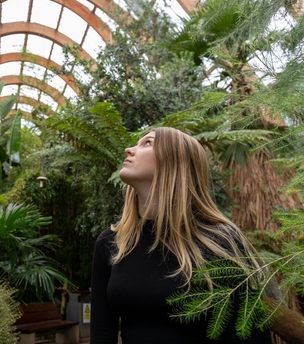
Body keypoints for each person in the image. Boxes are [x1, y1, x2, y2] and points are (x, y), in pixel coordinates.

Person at [90, 127, 272, 344]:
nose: (129, 149)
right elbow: (101, 334)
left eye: (147, 143)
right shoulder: (112, 242)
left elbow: (249, 333)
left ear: (176, 161)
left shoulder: (221, 241)